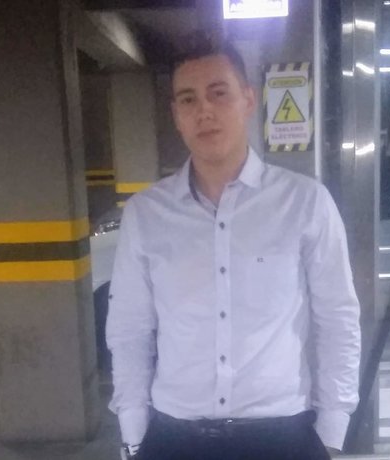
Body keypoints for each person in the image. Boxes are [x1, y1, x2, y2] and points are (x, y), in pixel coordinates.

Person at [106, 32, 360, 460]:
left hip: (282, 436)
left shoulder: (305, 202)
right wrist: (133, 434)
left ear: (248, 99)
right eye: (188, 99)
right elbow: (130, 329)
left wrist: (332, 430)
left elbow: (337, 318)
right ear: (176, 115)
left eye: (218, 92)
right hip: (174, 438)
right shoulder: (146, 214)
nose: (204, 110)